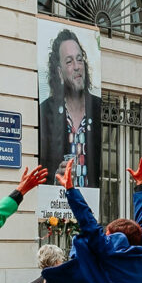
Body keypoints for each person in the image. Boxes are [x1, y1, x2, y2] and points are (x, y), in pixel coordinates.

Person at [38, 28, 101, 187]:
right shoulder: (45, 112)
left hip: (90, 208)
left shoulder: (98, 108)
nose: (77, 66)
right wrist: (55, 178)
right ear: (59, 72)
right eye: (69, 61)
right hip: (57, 208)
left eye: (79, 60)